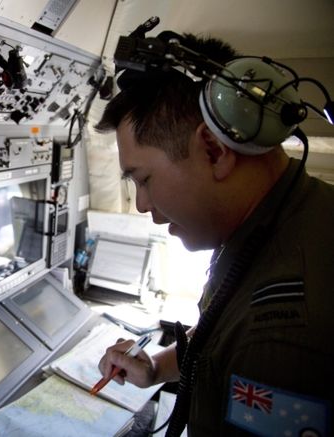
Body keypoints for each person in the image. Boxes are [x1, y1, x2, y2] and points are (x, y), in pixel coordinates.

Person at [95, 33, 333, 435]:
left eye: (144, 179)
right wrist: (155, 367)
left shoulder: (279, 339)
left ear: (214, 151)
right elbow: (221, 328)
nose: (141, 205)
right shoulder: (293, 219)